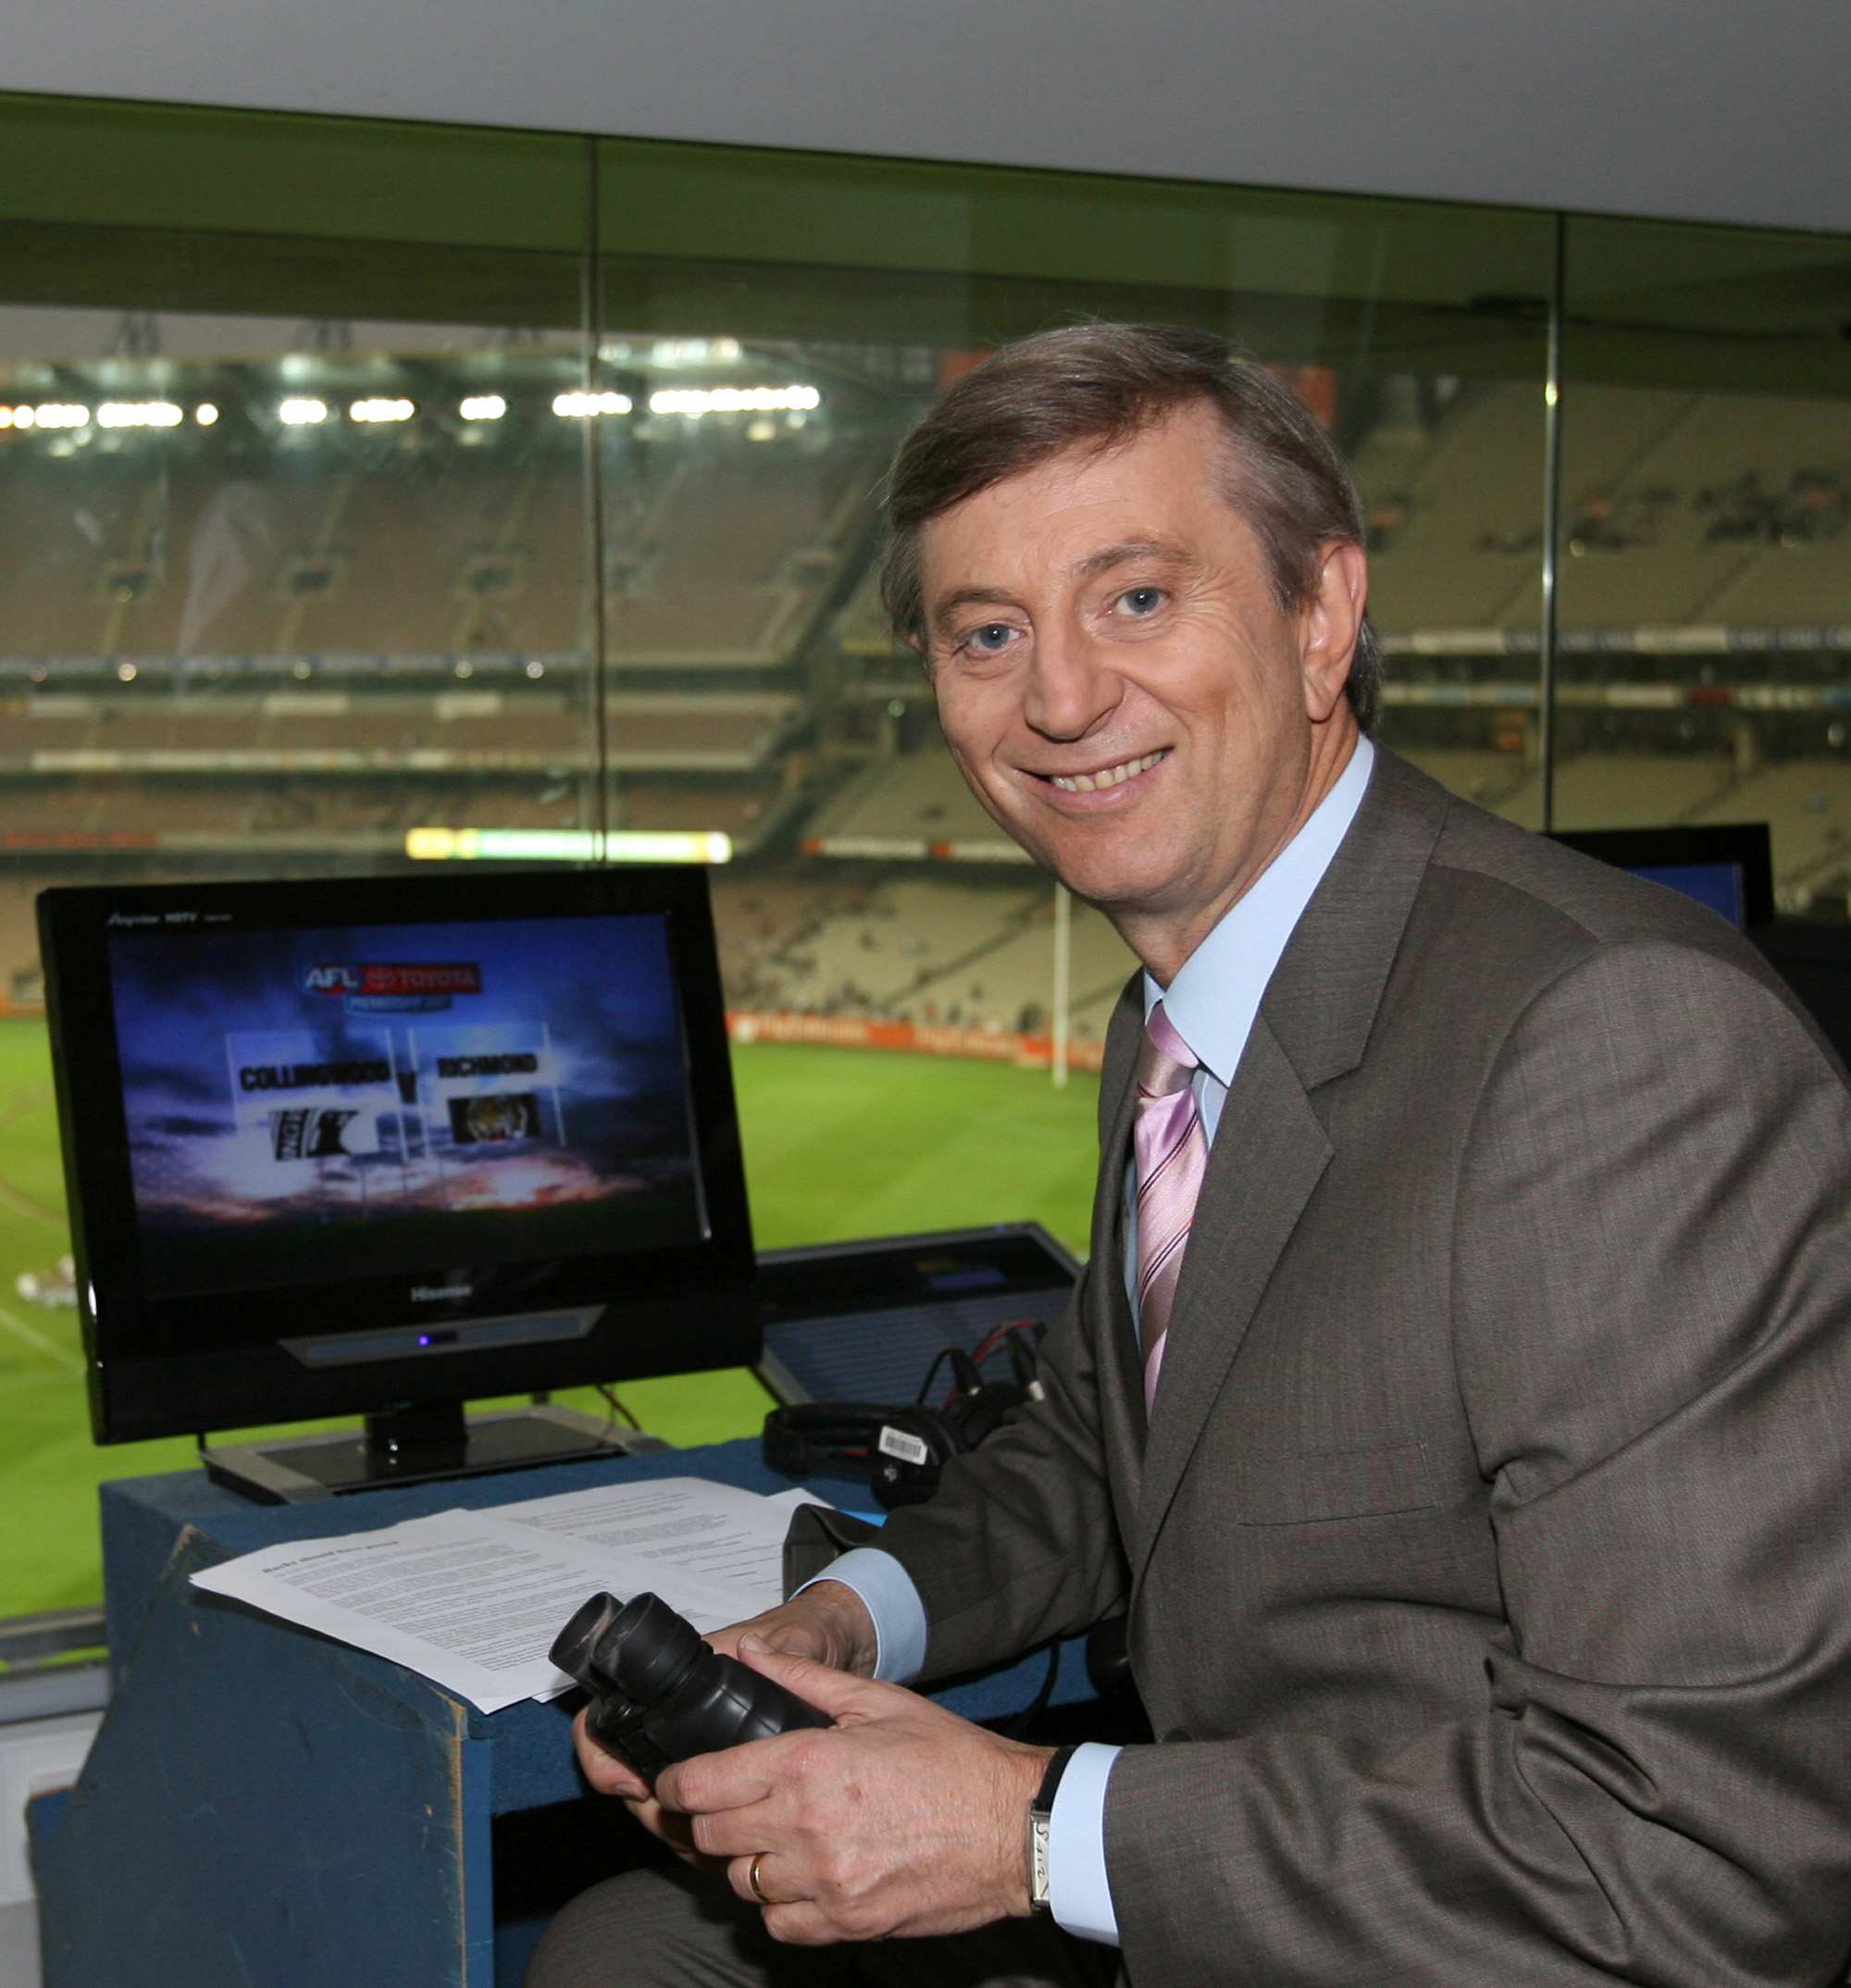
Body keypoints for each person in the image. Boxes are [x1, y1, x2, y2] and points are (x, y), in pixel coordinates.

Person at [530, 325, 1851, 1986]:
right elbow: (1109, 1448)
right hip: (1226, 1894)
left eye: (1137, 599)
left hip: (1483, 1934)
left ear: (1322, 620)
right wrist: (845, 1620)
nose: (1062, 698)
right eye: (986, 632)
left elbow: (1704, 1850)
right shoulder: (1183, 1008)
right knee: (636, 1945)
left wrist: (1021, 1829)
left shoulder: (1619, 1050)